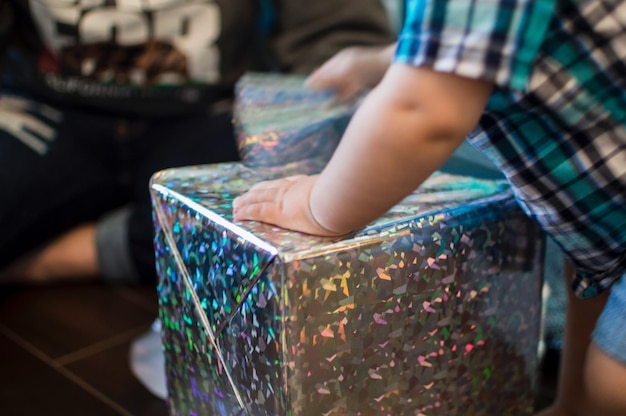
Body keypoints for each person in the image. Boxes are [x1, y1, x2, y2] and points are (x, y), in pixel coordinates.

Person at [233, 0, 626, 415]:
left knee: (612, 381)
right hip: (598, 221)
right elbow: (457, 38)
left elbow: (423, 111)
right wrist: (378, 62)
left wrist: (316, 206)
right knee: (588, 291)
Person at [0, 0, 394, 285]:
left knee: (288, 218)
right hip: (44, 108)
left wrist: (309, 117)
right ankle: (148, 238)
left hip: (212, 113)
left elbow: (337, 35)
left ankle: (87, 250)